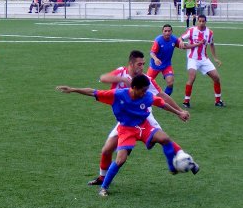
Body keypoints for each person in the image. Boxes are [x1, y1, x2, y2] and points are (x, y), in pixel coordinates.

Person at [57, 74, 198, 197]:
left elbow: (162, 104)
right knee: (120, 160)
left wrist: (179, 113)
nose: (145, 93)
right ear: (134, 88)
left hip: (143, 126)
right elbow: (93, 92)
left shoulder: (147, 96)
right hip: (126, 130)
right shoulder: (118, 95)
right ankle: (103, 187)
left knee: (165, 138)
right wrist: (73, 89)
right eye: (143, 90)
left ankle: (172, 168)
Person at [86, 50, 190, 187]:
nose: (142, 67)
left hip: (143, 115)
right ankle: (102, 178)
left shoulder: (145, 79)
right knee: (106, 150)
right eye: (139, 64)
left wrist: (180, 111)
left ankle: (182, 155)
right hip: (125, 120)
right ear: (131, 64)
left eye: (143, 64)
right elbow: (103, 78)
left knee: (163, 138)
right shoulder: (121, 72)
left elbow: (162, 96)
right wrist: (123, 80)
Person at [181, 14, 224, 108]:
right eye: (199, 21)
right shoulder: (191, 30)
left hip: (204, 59)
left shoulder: (210, 33)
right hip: (192, 58)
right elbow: (181, 38)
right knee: (192, 77)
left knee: (216, 77)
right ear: (197, 21)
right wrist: (181, 43)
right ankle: (186, 102)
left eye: (203, 21)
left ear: (205, 22)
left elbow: (211, 44)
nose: (201, 23)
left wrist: (215, 58)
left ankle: (218, 101)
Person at [146, 24, 197, 96]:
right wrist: (156, 59)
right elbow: (152, 52)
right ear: (162, 31)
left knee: (170, 83)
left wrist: (196, 45)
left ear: (171, 31)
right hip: (155, 65)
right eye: (165, 31)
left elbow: (184, 46)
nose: (167, 32)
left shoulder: (174, 39)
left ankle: (164, 99)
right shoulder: (158, 40)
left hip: (166, 65)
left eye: (169, 31)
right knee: (145, 83)